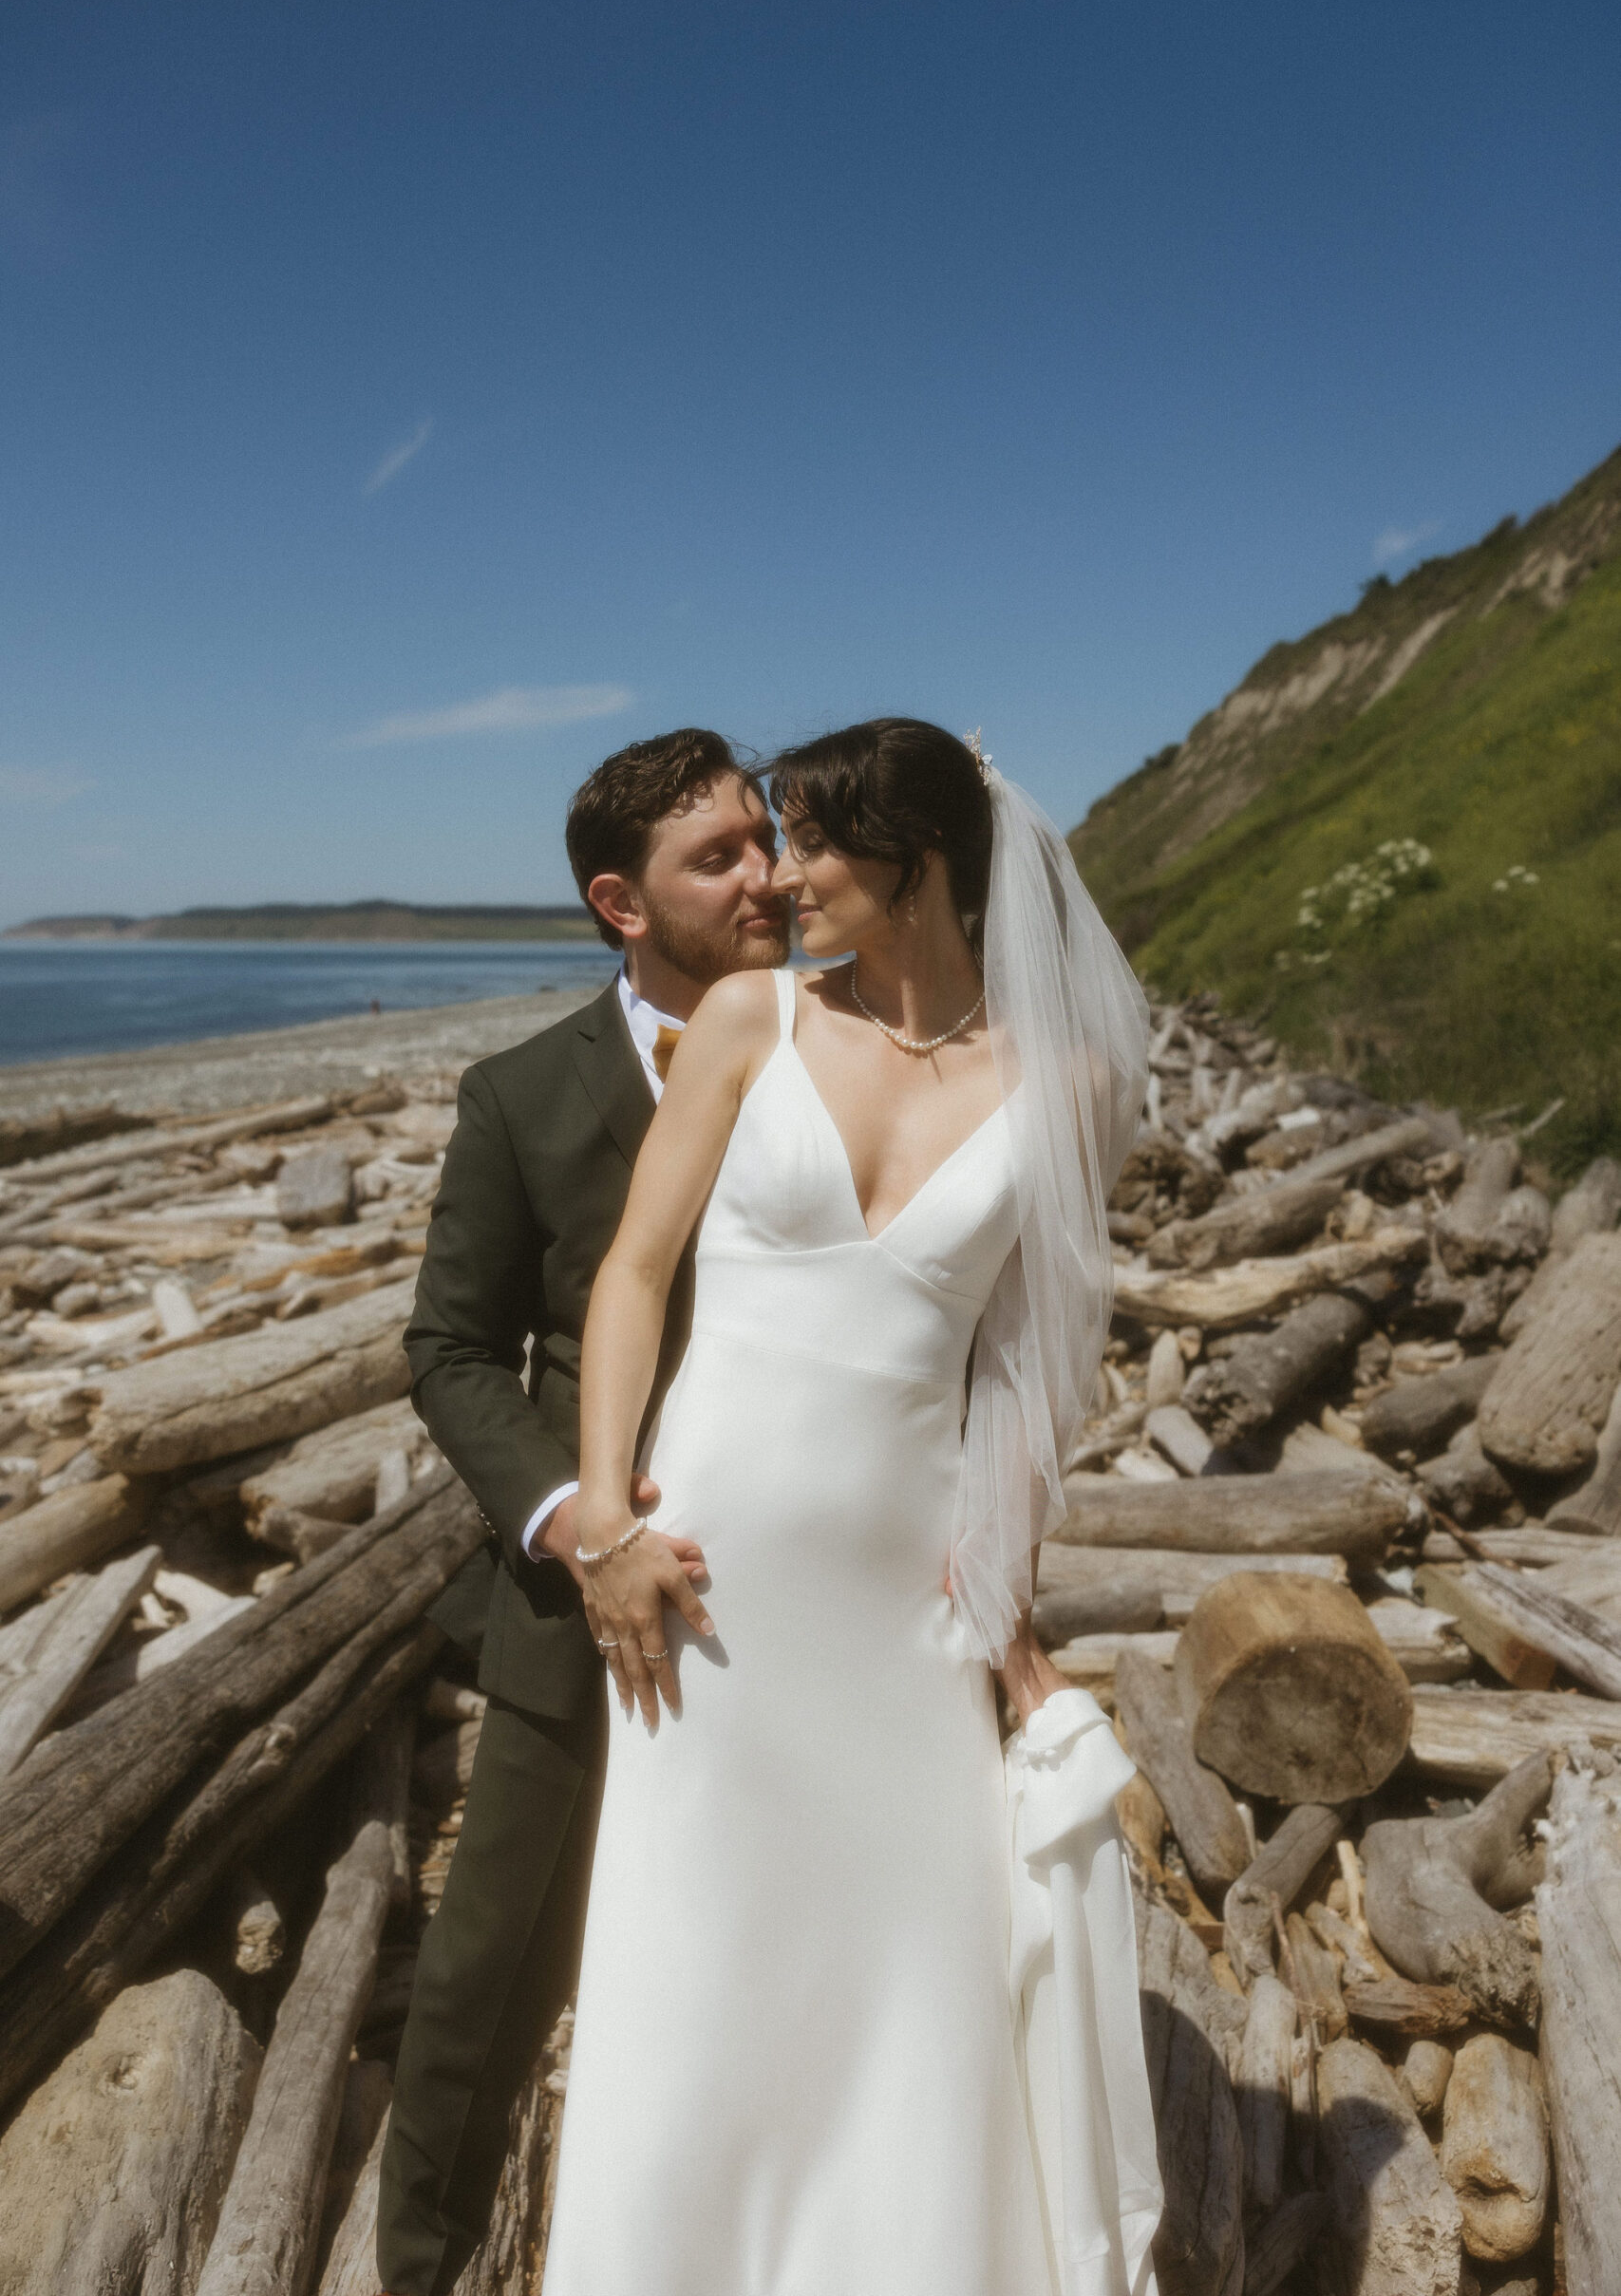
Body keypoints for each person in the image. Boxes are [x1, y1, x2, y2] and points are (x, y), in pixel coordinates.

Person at [542, 717, 1163, 2296]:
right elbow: (631, 1272)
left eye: (813, 841)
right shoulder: (750, 1021)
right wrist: (605, 1521)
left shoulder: (1071, 1082)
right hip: (705, 1580)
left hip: (902, 1606)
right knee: (700, 1955)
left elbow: (1028, 1383)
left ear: (920, 860)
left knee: (902, 1963)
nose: (784, 875)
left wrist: (999, 1614)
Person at [375, 727, 789, 2296]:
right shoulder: (522, 1094)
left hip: (803, 1584)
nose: (771, 876)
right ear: (623, 902)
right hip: (575, 1605)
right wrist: (578, 1526)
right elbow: (453, 1350)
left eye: (765, 840)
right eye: (720, 857)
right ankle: (419, 2265)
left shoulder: (848, 1045)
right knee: (488, 1972)